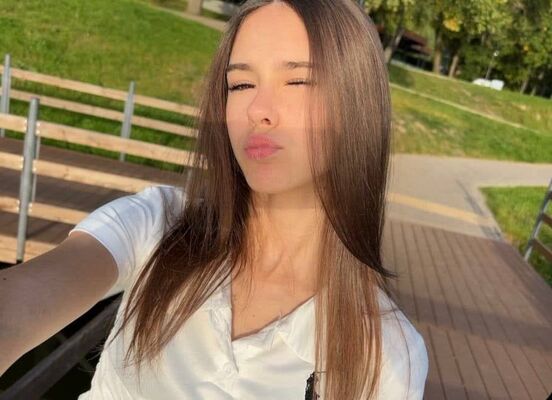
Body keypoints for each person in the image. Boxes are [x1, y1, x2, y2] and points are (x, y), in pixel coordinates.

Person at [0, 0, 429, 398]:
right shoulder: (158, 225)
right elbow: (21, 302)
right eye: (240, 84)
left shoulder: (387, 355)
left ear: (358, 103)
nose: (257, 109)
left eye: (297, 80)